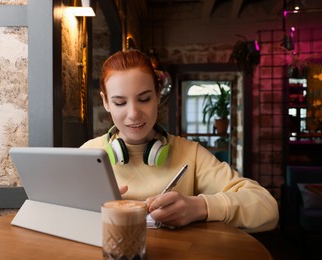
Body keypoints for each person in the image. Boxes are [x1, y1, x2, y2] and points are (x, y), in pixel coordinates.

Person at [80, 49, 279, 233]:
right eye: (120, 102)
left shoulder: (190, 154)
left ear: (158, 96)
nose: (133, 114)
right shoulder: (87, 154)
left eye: (144, 99)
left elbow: (267, 208)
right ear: (106, 102)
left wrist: (201, 207)